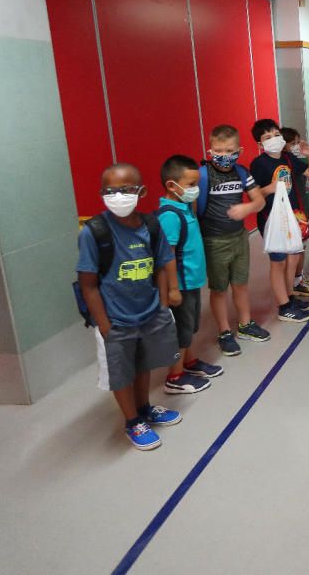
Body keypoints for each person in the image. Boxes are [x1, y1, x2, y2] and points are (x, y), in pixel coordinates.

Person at [76, 163, 182, 450]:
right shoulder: (94, 232)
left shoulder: (150, 225)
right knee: (122, 372)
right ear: (101, 194)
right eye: (110, 191)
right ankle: (132, 420)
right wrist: (105, 326)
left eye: (125, 190)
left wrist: (161, 303)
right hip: (115, 319)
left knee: (142, 363)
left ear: (141, 191)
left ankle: (145, 407)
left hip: (147, 312)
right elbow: (88, 283)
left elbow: (161, 265)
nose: (118, 196)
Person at [199, 125, 270, 356]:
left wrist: (247, 207)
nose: (224, 156)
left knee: (240, 284)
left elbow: (259, 201)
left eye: (229, 150)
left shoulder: (241, 172)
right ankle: (224, 332)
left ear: (238, 150)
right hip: (214, 241)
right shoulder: (203, 175)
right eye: (218, 151)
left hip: (239, 238)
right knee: (219, 289)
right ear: (210, 150)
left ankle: (245, 324)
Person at [157, 156, 222, 395]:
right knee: (181, 331)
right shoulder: (170, 216)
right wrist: (173, 288)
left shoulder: (183, 208)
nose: (196, 189)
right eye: (191, 184)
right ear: (172, 185)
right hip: (181, 284)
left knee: (190, 326)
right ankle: (174, 376)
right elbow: (168, 256)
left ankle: (189, 361)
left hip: (192, 281)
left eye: (197, 184)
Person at [250, 119, 309, 324]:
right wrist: (268, 189)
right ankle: (284, 307)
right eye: (267, 137)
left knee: (293, 259)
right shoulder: (259, 164)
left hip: (292, 217)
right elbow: (253, 195)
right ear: (260, 144)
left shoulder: (288, 158)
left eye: (275, 134)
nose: (273, 139)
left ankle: (289, 298)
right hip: (271, 219)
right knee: (278, 262)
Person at [283, 126, 309, 301]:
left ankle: (298, 279)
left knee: (301, 246)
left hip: (300, 209)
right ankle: (289, 289)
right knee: (291, 252)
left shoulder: (297, 161)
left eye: (297, 142)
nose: (296, 146)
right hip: (286, 212)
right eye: (292, 143)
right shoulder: (282, 162)